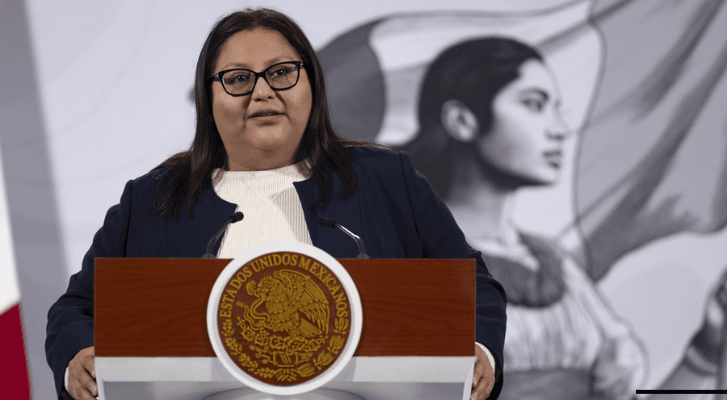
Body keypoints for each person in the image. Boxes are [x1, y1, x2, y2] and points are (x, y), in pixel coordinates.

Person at [44, 8, 506, 400]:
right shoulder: (154, 199)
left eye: (282, 72)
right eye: (238, 79)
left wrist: (480, 350)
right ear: (208, 97)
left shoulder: (386, 180)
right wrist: (76, 358)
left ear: (312, 84)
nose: (263, 92)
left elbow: (472, 286)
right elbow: (77, 308)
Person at [403, 37, 727, 399]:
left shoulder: (556, 264)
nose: (559, 128)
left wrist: (705, 350)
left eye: (557, 109)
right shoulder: (410, 258)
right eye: (534, 104)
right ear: (462, 121)